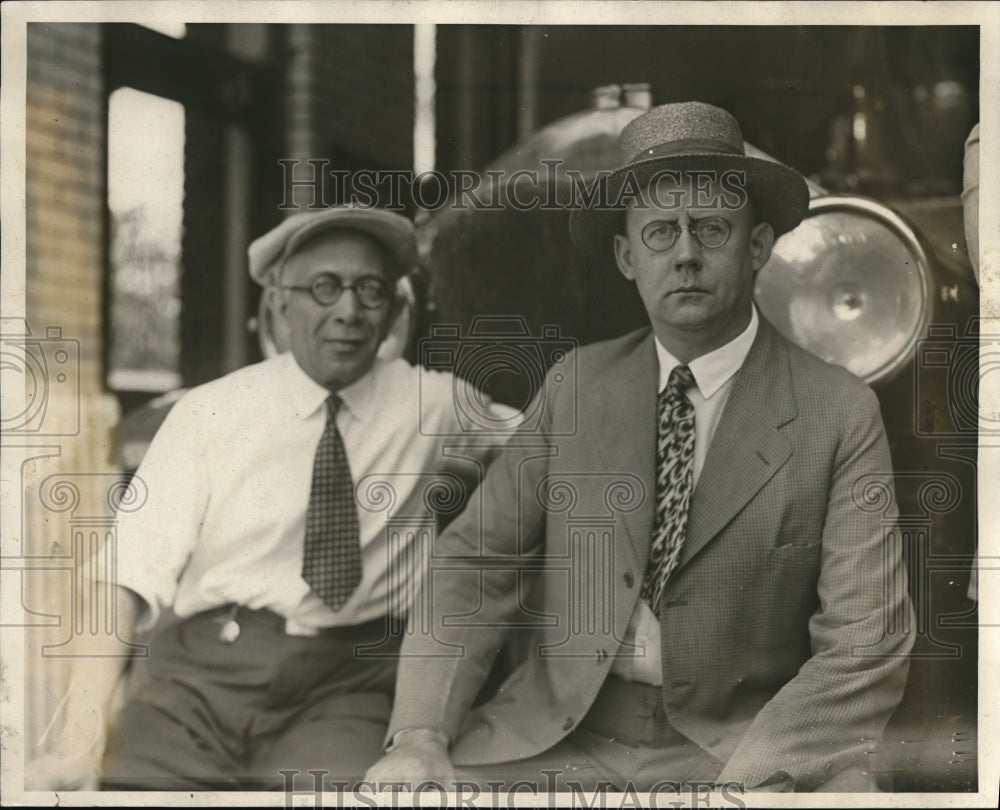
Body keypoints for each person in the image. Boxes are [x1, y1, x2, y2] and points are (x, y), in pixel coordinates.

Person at [367, 101, 914, 794]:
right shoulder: (575, 385)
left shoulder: (838, 409)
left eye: (711, 228)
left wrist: (749, 782)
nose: (685, 254)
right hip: (557, 740)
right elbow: (475, 561)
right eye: (659, 232)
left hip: (744, 749)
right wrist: (421, 734)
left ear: (757, 247)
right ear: (627, 258)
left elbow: (864, 642)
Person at [27, 206, 516, 790]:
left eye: (371, 290)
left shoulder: (433, 404)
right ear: (281, 306)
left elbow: (553, 442)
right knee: (134, 789)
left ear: (393, 310)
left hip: (350, 681)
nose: (349, 311)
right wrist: (77, 744)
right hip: (203, 675)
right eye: (324, 287)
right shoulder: (210, 412)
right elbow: (124, 579)